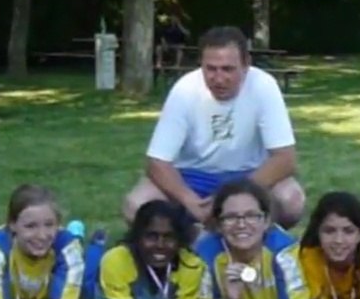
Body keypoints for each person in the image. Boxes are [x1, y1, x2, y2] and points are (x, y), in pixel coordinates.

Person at [122, 26, 306, 236]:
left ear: (246, 66)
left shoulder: (264, 86)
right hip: (191, 177)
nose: (218, 79)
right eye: (210, 69)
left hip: (249, 175)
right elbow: (157, 163)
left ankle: (253, 239)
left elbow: (285, 160)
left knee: (291, 200)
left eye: (228, 69)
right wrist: (190, 201)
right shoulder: (185, 90)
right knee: (135, 205)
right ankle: (195, 236)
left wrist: (232, 196)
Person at [193, 180, 309, 299]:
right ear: (219, 225)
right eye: (231, 217)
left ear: (267, 221)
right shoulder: (206, 254)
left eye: (251, 216)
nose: (241, 224)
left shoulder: (283, 252)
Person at [95, 199, 213, 299]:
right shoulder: (116, 261)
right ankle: (96, 243)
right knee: (89, 276)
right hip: (102, 277)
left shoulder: (192, 265)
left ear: (179, 240)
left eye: (169, 237)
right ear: (137, 237)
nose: (160, 245)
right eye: (151, 236)